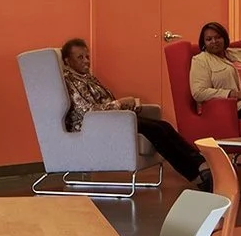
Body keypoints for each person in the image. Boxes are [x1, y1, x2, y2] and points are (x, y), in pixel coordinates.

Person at [59, 38, 208, 187]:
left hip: (111, 118)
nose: (86, 61)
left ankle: (201, 163)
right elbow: (86, 112)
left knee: (164, 126)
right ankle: (196, 174)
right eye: (80, 57)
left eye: (87, 56)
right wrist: (120, 103)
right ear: (67, 61)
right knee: (156, 130)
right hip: (94, 126)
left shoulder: (88, 77)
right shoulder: (69, 81)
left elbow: (104, 102)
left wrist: (127, 106)